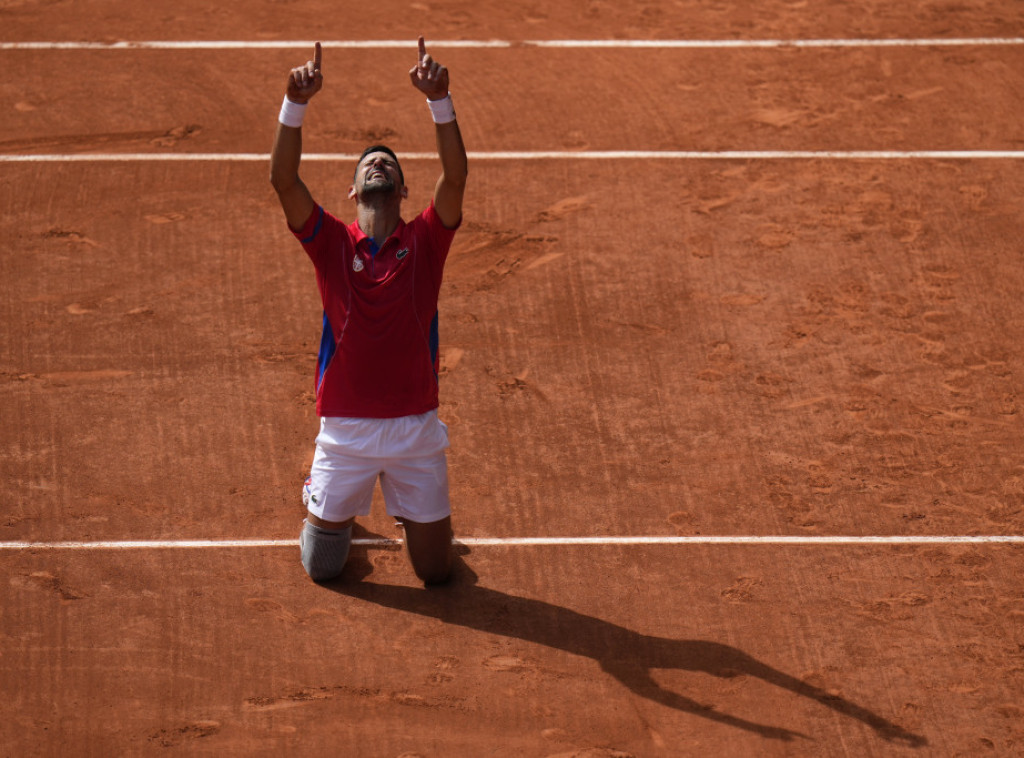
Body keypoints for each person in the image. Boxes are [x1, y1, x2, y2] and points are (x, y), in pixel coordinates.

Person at [270, 37, 468, 585]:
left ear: (403, 189)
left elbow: (454, 179)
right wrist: (295, 104)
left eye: (387, 163)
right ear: (352, 191)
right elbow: (283, 181)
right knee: (323, 568)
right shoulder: (330, 241)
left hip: (414, 429)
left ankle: (411, 518)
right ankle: (326, 502)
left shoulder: (426, 239)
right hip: (346, 431)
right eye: (367, 163)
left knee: (436, 574)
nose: (376, 163)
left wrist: (439, 101)